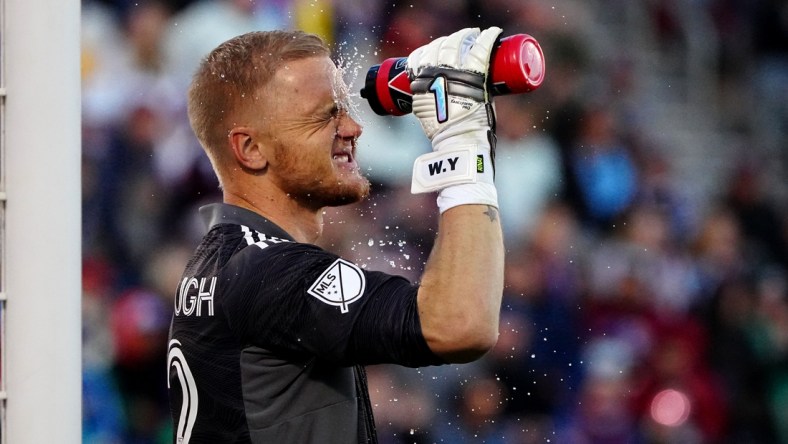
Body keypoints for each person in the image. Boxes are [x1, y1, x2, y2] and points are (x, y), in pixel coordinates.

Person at [167, 27, 506, 443]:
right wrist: (463, 147)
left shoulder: (227, 262)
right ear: (251, 149)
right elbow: (460, 325)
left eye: (344, 108)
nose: (352, 128)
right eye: (325, 115)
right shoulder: (267, 271)